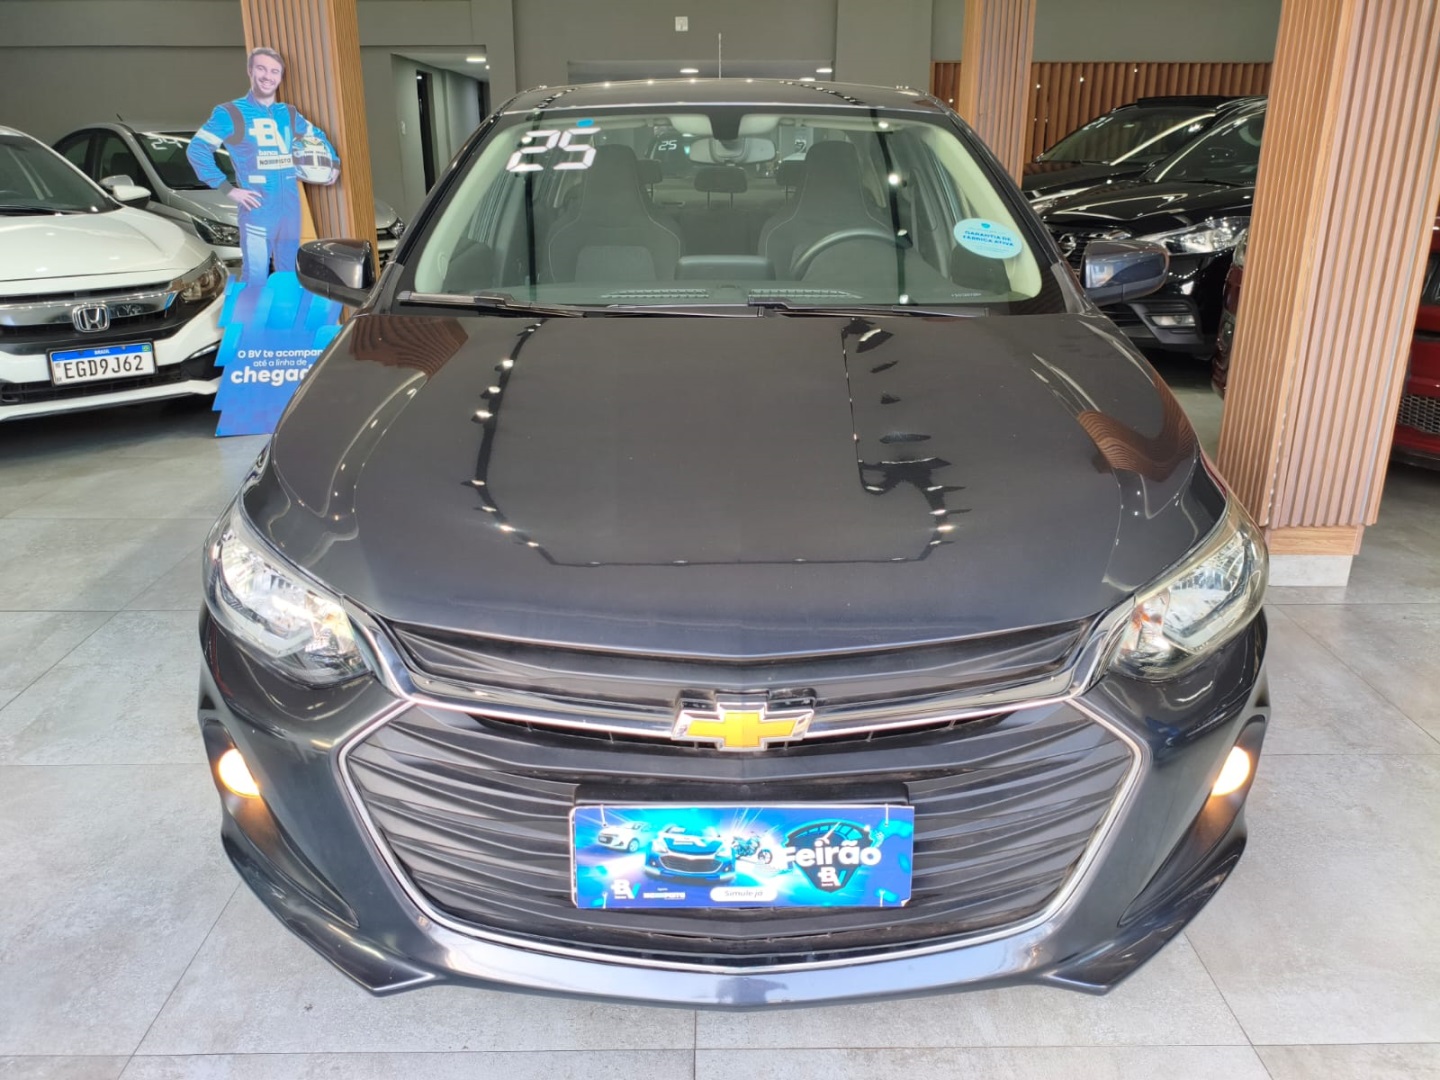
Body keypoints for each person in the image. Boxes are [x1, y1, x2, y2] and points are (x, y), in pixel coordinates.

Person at [187, 46, 340, 287]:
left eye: (274, 71)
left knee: (290, 274)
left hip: (289, 207)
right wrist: (228, 189)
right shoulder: (230, 112)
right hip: (258, 208)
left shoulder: (288, 113)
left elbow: (317, 136)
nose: (268, 76)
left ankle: (286, 312)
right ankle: (253, 312)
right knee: (256, 276)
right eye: (261, 69)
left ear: (281, 77)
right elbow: (197, 149)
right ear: (250, 71)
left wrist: (333, 163)